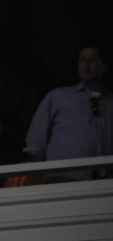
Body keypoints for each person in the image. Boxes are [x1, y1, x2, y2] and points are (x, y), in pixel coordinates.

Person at [24, 46, 113, 182]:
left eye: (93, 59)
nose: (87, 65)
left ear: (104, 67)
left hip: (104, 184)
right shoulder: (58, 97)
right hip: (61, 181)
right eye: (82, 60)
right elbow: (36, 144)